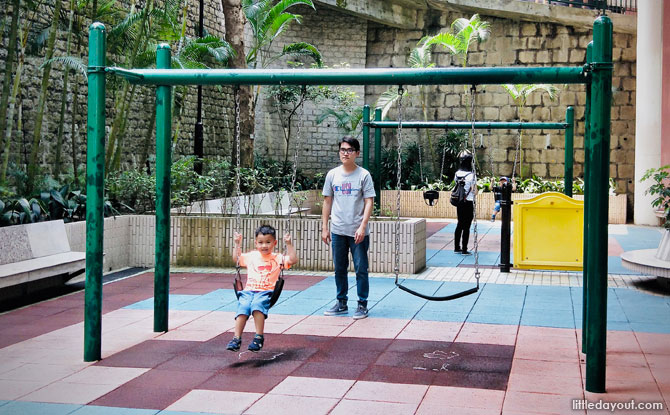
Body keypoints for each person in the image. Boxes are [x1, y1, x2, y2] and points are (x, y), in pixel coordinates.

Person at [321, 136, 376, 320]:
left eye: (350, 150)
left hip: (357, 232)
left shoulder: (363, 175)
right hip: (337, 230)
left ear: (357, 153)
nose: (345, 153)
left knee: (361, 268)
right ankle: (341, 302)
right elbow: (327, 201)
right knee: (340, 268)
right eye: (343, 149)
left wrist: (363, 227)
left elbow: (369, 202)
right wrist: (324, 227)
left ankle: (362, 304)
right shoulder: (332, 175)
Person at [227, 225, 298, 352]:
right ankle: (236, 338)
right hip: (248, 290)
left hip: (266, 292)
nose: (264, 246)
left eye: (268, 242)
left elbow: (293, 260)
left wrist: (289, 244)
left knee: (256, 305)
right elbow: (236, 259)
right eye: (260, 242)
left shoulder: (277, 258)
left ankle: (258, 337)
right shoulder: (252, 256)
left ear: (274, 243)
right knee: (243, 307)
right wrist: (237, 244)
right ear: (256, 243)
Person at [454, 151, 476, 255]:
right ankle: (464, 249)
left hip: (459, 202)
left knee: (459, 224)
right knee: (467, 226)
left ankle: (456, 247)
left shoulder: (457, 173)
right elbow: (474, 191)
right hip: (468, 201)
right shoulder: (472, 175)